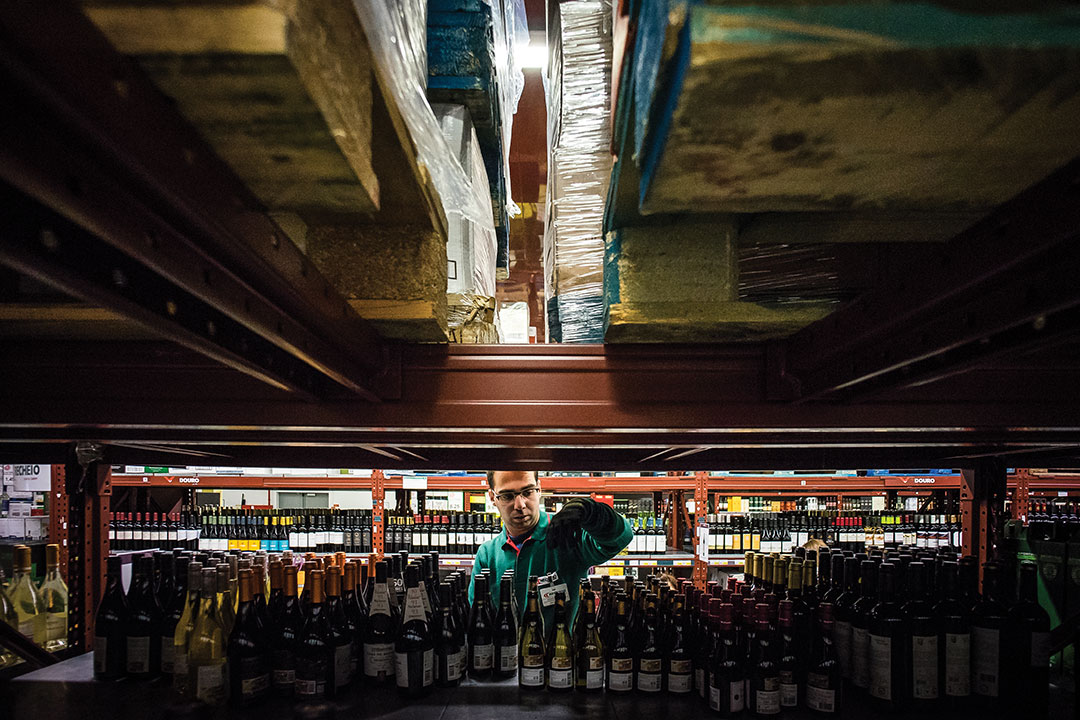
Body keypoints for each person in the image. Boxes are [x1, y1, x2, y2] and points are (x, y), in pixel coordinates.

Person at [469, 470, 633, 628]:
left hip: (562, 654)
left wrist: (593, 513)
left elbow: (622, 537)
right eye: (507, 496)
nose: (520, 504)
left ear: (539, 489)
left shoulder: (567, 534)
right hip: (504, 655)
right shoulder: (487, 555)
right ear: (492, 497)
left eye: (527, 492)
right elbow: (476, 618)